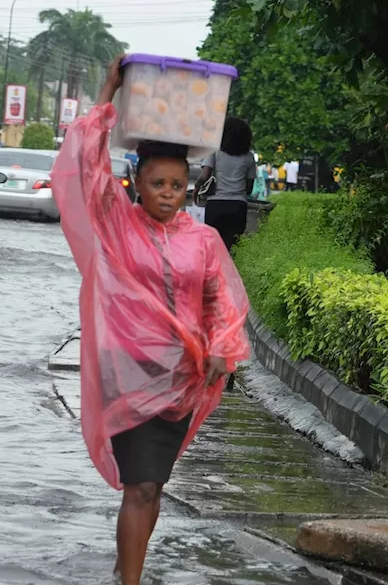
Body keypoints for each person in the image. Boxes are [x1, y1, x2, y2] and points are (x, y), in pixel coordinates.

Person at [51, 55, 250, 585]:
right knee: (140, 486)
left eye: (177, 185)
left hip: (180, 378)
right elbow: (86, 166)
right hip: (127, 372)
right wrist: (108, 93)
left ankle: (125, 568)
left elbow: (221, 300)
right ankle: (131, 582)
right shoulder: (116, 223)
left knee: (153, 486)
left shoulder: (202, 240)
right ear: (137, 183)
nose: (167, 193)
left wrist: (221, 346)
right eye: (158, 183)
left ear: (190, 186)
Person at [199, 117, 257, 252]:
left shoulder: (214, 152)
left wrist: (197, 189)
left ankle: (212, 272)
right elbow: (249, 188)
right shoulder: (249, 157)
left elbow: (204, 175)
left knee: (212, 247)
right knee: (231, 249)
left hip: (215, 205)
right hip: (238, 206)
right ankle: (227, 272)